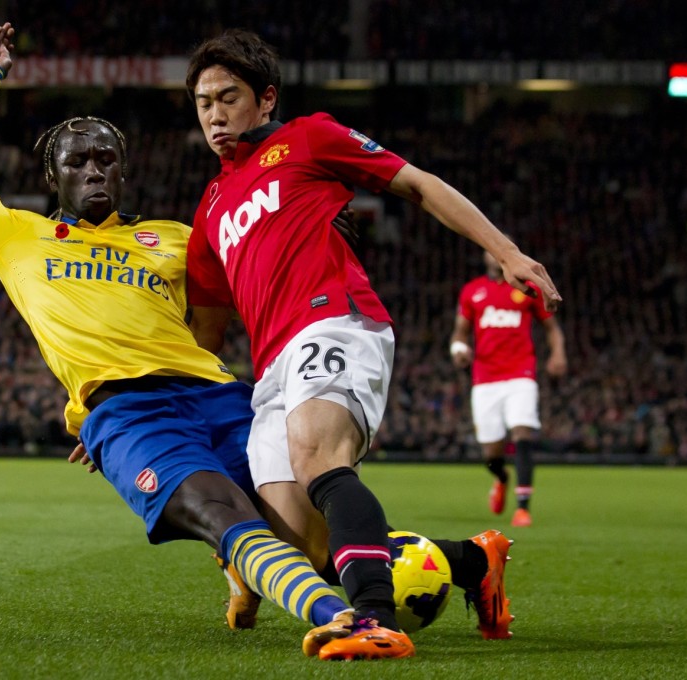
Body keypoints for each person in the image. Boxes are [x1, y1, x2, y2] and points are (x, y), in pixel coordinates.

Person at [0, 23, 394, 661]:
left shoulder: (172, 237)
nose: (94, 171)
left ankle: (469, 563)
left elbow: (227, 300)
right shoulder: (13, 234)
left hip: (218, 395)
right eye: (77, 161)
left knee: (308, 532)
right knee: (222, 513)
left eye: (107, 159)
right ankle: (345, 619)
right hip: (127, 411)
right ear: (51, 175)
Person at [183, 29, 562, 649]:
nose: (216, 114)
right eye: (204, 103)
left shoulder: (307, 137)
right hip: (272, 363)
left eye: (230, 97)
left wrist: (507, 252)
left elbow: (419, 183)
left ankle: (375, 622)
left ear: (266, 99)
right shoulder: (211, 207)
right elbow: (206, 331)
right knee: (296, 537)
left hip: (336, 320)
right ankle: (473, 563)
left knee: (317, 456)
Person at [451, 248, 567, 527]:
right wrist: (458, 348)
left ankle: (523, 508)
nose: (495, 256)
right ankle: (501, 479)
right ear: (485, 258)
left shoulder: (527, 290)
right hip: (485, 378)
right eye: (491, 251)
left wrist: (558, 353)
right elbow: (460, 331)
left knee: (522, 431)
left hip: (520, 373)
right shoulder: (472, 291)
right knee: (491, 454)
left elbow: (551, 327)